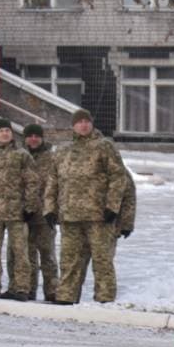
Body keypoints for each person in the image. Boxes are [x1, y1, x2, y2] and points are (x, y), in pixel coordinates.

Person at [44, 108, 129, 305]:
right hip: (70, 216)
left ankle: (105, 299)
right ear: (73, 125)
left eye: (86, 121)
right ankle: (66, 296)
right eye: (79, 122)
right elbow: (53, 181)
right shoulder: (63, 151)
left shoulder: (104, 147)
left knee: (102, 260)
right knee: (69, 260)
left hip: (98, 215)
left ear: (91, 124)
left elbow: (118, 177)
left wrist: (112, 206)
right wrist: (50, 208)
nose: (83, 125)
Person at [0, 118, 38, 300]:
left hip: (16, 212)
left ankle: (20, 288)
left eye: (7, 130)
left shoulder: (21, 155)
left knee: (20, 252)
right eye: (1, 130)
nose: (5, 133)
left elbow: (32, 182)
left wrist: (30, 206)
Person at [21, 124, 59, 301]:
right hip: (23, 214)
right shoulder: (19, 156)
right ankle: (28, 289)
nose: (34, 139)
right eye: (30, 136)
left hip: (45, 215)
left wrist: (54, 210)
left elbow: (58, 184)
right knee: (27, 255)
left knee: (47, 255)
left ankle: (52, 291)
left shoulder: (52, 158)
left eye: (37, 136)